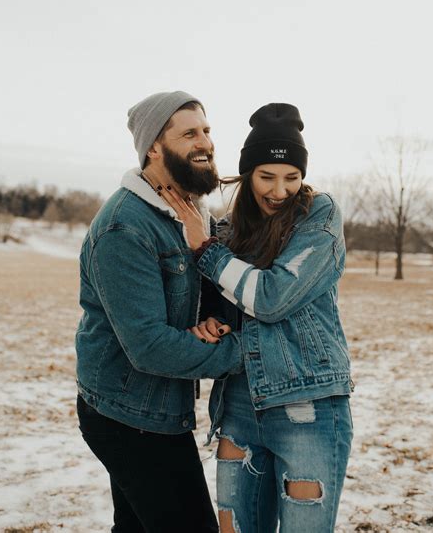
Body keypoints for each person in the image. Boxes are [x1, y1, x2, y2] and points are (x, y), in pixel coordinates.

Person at [160, 102, 354, 533]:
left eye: (292, 177)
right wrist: (211, 321)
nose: (279, 190)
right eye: (267, 176)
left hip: (310, 405)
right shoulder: (228, 232)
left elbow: (270, 298)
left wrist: (206, 251)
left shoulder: (319, 217)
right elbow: (223, 306)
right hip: (240, 406)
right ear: (248, 174)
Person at [75, 90, 244, 533]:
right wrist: (245, 354)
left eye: (206, 130)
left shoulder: (188, 211)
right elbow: (148, 346)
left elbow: (190, 298)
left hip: (154, 408)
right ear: (154, 146)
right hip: (127, 415)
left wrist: (206, 321)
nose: (205, 142)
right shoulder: (124, 226)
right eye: (189, 133)